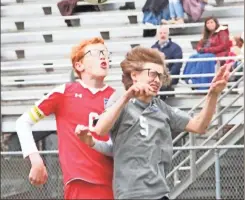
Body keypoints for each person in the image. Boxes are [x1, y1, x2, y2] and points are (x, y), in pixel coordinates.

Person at [76, 46, 231, 200]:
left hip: (160, 193)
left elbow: (199, 126)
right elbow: (101, 129)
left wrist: (213, 94)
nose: (157, 80)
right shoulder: (120, 100)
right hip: (131, 194)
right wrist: (127, 96)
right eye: (152, 74)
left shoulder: (162, 108)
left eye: (160, 76)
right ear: (134, 75)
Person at [16, 37, 115, 200]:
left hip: (117, 184)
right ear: (79, 65)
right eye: (96, 53)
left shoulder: (117, 97)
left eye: (105, 53)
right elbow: (23, 122)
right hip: (81, 183)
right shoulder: (64, 93)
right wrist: (35, 159)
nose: (103, 57)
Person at [183, 17, 231, 89]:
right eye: (207, 23)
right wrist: (200, 49)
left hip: (217, 55)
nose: (210, 24)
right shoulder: (206, 35)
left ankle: (198, 81)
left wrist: (207, 50)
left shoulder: (222, 32)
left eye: (211, 22)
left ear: (216, 23)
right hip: (206, 54)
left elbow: (223, 46)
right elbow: (199, 45)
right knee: (193, 56)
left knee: (204, 57)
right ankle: (186, 78)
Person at [151, 25, 183, 99]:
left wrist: (168, 76)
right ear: (157, 35)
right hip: (156, 76)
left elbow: (177, 65)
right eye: (161, 33)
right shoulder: (153, 48)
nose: (162, 35)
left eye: (164, 33)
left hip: (170, 76)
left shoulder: (176, 48)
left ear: (168, 34)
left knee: (162, 84)